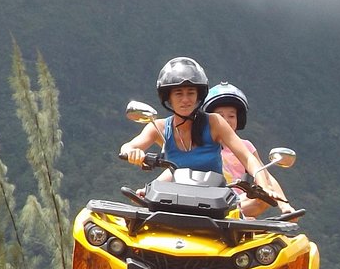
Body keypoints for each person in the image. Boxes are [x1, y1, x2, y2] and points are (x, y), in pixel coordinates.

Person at [119, 57, 295, 215]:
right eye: (178, 93)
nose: (185, 99)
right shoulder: (159, 127)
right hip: (174, 203)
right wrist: (133, 153)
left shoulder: (214, 122)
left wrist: (264, 186)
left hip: (218, 205)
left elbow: (248, 157)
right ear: (169, 98)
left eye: (190, 93)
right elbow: (129, 146)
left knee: (258, 212)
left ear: (198, 97)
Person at [202, 81, 288, 218]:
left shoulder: (246, 146)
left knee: (264, 195)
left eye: (231, 116)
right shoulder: (201, 146)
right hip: (208, 203)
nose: (226, 120)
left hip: (238, 204)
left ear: (239, 119)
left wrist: (285, 205)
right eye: (220, 116)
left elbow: (265, 175)